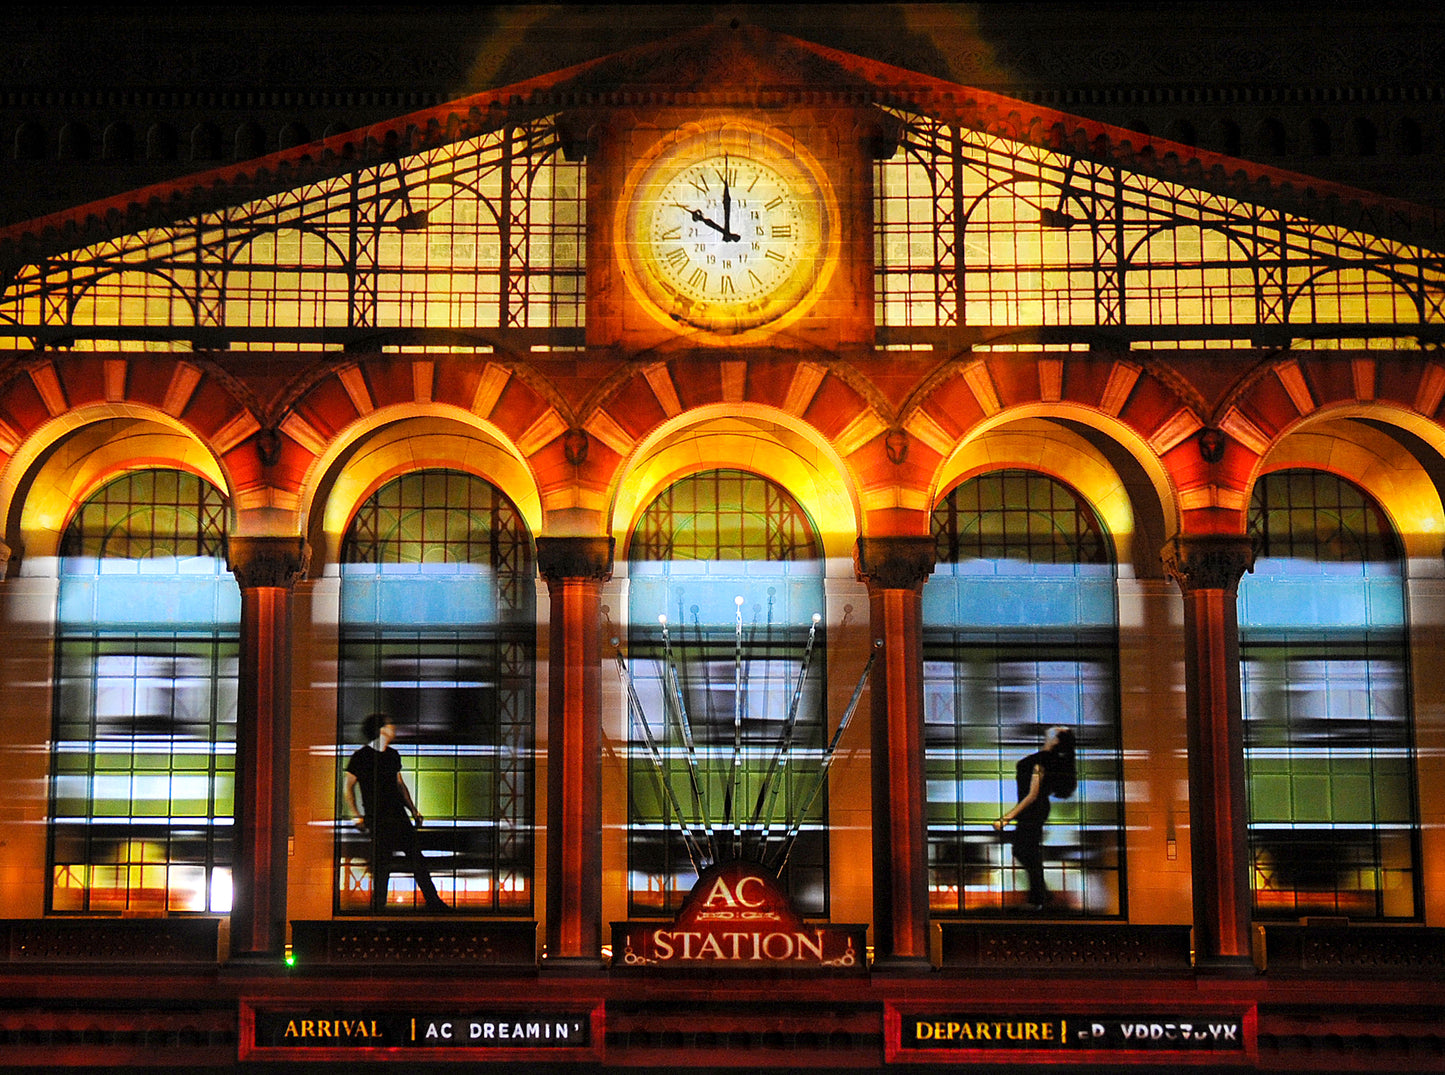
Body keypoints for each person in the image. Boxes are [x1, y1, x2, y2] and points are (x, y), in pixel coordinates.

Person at [343, 714, 449, 913]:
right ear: (381, 729)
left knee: (414, 859)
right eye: (390, 724)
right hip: (378, 816)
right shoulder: (361, 756)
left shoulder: (392, 755)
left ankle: (431, 902)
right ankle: (380, 906)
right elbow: (348, 787)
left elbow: (399, 786)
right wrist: (356, 814)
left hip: (396, 814)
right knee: (385, 863)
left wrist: (414, 810)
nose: (394, 728)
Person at [991, 726, 1077, 910]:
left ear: (1056, 741)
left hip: (1033, 809)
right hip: (1035, 809)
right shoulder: (1046, 759)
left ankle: (1039, 899)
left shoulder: (1043, 761)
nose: (1050, 730)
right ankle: (1041, 896)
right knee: (1026, 851)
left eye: (1056, 732)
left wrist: (1006, 818)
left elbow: (1032, 795)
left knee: (1025, 851)